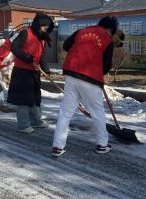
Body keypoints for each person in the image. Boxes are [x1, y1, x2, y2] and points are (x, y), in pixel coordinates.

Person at [51, 16, 119, 157]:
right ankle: (102, 144)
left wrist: (80, 52)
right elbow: (107, 64)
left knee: (65, 112)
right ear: (109, 30)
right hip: (90, 77)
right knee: (97, 111)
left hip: (71, 73)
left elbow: (66, 45)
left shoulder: (82, 31)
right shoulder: (107, 39)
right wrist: (99, 73)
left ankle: (57, 146)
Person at [7, 13, 54, 133]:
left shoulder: (42, 38)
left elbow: (42, 55)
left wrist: (46, 70)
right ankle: (23, 125)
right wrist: (27, 57)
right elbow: (14, 47)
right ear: (38, 24)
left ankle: (36, 121)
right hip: (22, 72)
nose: (45, 30)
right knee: (23, 99)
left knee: (34, 97)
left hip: (34, 72)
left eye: (47, 28)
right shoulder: (25, 33)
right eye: (44, 27)